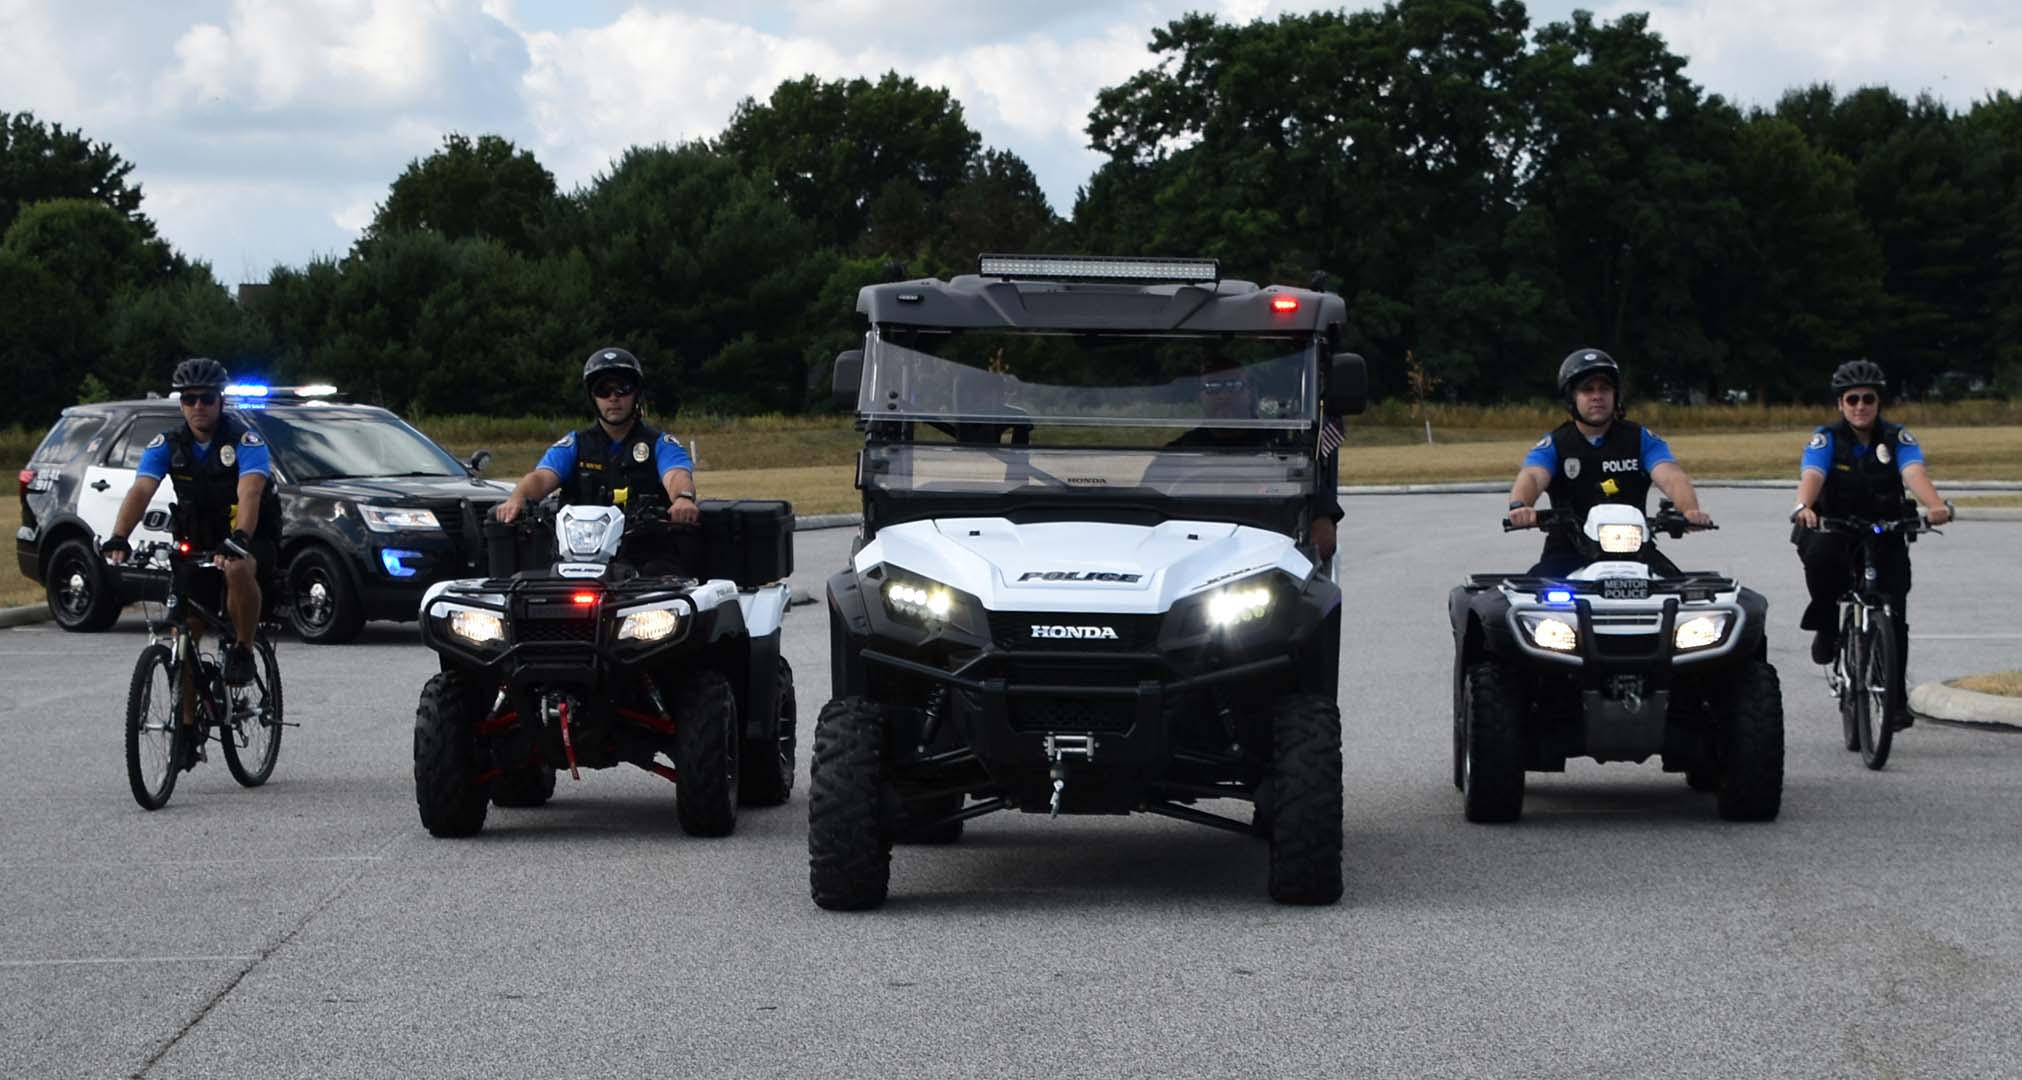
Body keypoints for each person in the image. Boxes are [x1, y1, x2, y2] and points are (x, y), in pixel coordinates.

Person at [101, 358, 280, 699]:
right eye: (189, 398)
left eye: (207, 398)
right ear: (181, 403)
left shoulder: (245, 441)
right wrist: (119, 536)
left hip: (250, 536)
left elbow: (251, 491)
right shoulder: (167, 444)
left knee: (239, 566)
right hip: (197, 540)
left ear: (220, 401)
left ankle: (243, 648)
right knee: (184, 635)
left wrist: (240, 537)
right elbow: (141, 491)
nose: (198, 406)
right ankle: (185, 737)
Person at [1790, 359, 1952, 727]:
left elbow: (1913, 472)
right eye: (1852, 399)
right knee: (1820, 556)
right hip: (1837, 526)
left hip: (1885, 526)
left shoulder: (1897, 438)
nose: (1860, 406)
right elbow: (1813, 473)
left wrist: (1935, 505)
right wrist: (1804, 506)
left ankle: (1894, 700)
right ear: (1840, 404)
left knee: (1895, 610)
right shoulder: (1827, 439)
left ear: (1879, 402)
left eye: (1868, 398)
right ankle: (1828, 622)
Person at [1505, 348, 1711, 577]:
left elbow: (1672, 477)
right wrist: (1520, 506)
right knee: (1527, 603)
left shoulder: (1641, 439)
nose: (1597, 396)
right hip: (1568, 551)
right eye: (1587, 390)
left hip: (1636, 551)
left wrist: (1689, 510)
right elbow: (1532, 476)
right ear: (1571, 397)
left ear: (1616, 395)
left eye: (1604, 389)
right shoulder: (1555, 444)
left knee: (1685, 597)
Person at [495, 347, 699, 566]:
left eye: (622, 389)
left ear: (636, 394)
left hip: (646, 554)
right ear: (593, 397)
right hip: (576, 556)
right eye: (603, 390)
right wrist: (518, 497)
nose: (613, 398)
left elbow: (677, 475)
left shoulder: (660, 444)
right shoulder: (574, 444)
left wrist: (683, 498)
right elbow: (541, 478)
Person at [1159, 358, 1341, 563]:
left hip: (1265, 568)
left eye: (1234, 386)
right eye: (1211, 388)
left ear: (1252, 391)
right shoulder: (1176, 455)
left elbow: (1323, 534)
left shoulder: (1287, 454)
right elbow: (1146, 517)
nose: (1224, 396)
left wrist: (1290, 566)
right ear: (1200, 396)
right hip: (1187, 564)